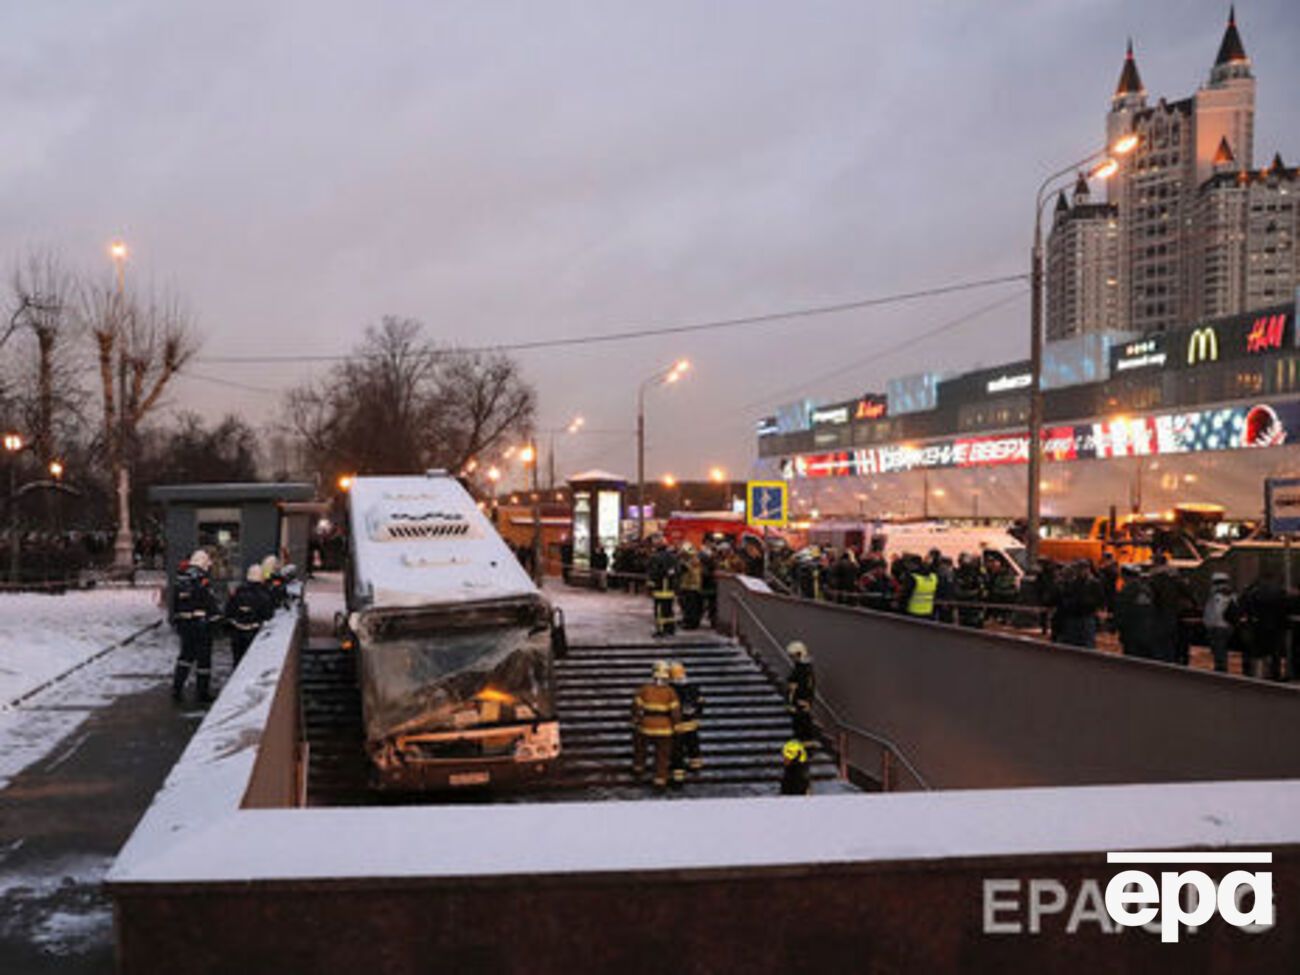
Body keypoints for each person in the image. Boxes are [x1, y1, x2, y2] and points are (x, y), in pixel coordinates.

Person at [172, 549, 221, 703]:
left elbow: (175, 603)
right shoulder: (202, 580)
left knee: (185, 657)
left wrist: (178, 621)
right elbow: (209, 602)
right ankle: (202, 693)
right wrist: (217, 620)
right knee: (203, 661)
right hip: (201, 626)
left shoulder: (180, 579)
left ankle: (177, 688)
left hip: (185, 625)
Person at [631, 661, 681, 789]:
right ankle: (660, 779)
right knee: (662, 755)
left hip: (646, 726)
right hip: (665, 728)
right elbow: (675, 712)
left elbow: (636, 707)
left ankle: (638, 768)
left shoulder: (644, 689)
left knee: (641, 749)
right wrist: (676, 726)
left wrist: (636, 720)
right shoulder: (671, 692)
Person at [1240, 567, 1289, 680]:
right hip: (1276, 626)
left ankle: (1258, 672)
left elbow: (1246, 606)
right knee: (1275, 652)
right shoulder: (1280, 592)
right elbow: (1285, 608)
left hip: (1258, 625)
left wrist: (1251, 618)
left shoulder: (1254, 592)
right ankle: (1275, 673)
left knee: (1259, 651)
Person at [226, 563, 274, 669]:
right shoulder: (264, 595)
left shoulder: (237, 592)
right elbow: (268, 615)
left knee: (237, 662)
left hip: (237, 632)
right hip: (254, 632)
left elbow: (228, 612)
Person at [1114, 564, 1159, 660]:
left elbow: (1122, 611)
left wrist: (1116, 626)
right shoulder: (1147, 590)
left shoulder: (1127, 590)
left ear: (1124, 576)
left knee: (1132, 662)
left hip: (1131, 632)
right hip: (1148, 631)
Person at [669, 661, 703, 782]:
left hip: (678, 726)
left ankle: (678, 774)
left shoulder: (671, 690)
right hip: (692, 724)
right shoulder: (694, 688)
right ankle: (696, 765)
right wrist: (697, 716)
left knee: (677, 750)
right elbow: (700, 703)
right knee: (693, 746)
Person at [1202, 572, 1238, 674]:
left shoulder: (1215, 595)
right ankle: (1221, 667)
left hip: (1218, 626)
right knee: (1221, 648)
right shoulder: (1232, 594)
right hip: (1227, 625)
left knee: (1219, 649)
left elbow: (1214, 612)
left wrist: (1208, 624)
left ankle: (1221, 669)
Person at [785, 641, 816, 742]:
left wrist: (806, 700)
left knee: (803, 726)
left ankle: (806, 748)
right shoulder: (799, 667)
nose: (792, 658)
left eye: (793, 655)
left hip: (801, 702)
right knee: (798, 726)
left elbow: (808, 686)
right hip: (796, 701)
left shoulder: (805, 669)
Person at [954, 553, 987, 629]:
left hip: (976, 607)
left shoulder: (978, 574)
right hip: (965, 608)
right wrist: (976, 592)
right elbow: (958, 592)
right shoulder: (960, 574)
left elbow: (983, 589)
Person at [899, 554, 937, 620]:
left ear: (913, 564)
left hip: (913, 612)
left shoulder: (912, 577)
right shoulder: (933, 577)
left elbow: (905, 595)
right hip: (928, 611)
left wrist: (901, 608)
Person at [677, 545, 704, 630]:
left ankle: (692, 623)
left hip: (693, 587)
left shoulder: (693, 560)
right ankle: (687, 620)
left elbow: (689, 569)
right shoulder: (688, 560)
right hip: (686, 586)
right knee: (686, 606)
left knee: (692, 607)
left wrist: (683, 562)